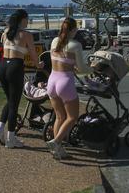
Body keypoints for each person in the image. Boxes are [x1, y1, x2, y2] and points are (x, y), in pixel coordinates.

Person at [0, 9, 42, 148]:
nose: (28, 21)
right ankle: (11, 139)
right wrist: (39, 64)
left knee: (10, 100)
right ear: (22, 20)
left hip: (3, 66)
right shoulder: (26, 35)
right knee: (14, 104)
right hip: (15, 66)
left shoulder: (6, 32)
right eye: (27, 19)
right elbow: (32, 53)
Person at [45, 17, 93, 160]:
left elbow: (61, 60)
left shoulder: (55, 41)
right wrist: (93, 68)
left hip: (52, 81)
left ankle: (57, 150)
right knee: (72, 117)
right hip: (64, 82)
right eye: (76, 28)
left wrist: (73, 66)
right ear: (73, 29)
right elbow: (83, 68)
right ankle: (56, 141)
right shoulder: (76, 45)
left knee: (59, 117)